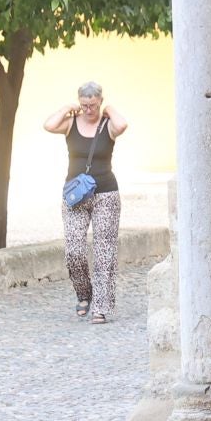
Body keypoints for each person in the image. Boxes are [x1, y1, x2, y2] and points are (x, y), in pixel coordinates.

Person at [43, 82, 130, 324]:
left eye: (93, 105)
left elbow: (122, 125)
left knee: (104, 252)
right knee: (74, 251)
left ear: (100, 101)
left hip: (106, 194)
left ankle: (101, 308)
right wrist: (66, 108)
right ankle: (84, 293)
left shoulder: (107, 125)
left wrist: (110, 109)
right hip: (75, 196)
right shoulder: (70, 123)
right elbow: (49, 125)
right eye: (84, 105)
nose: (89, 109)